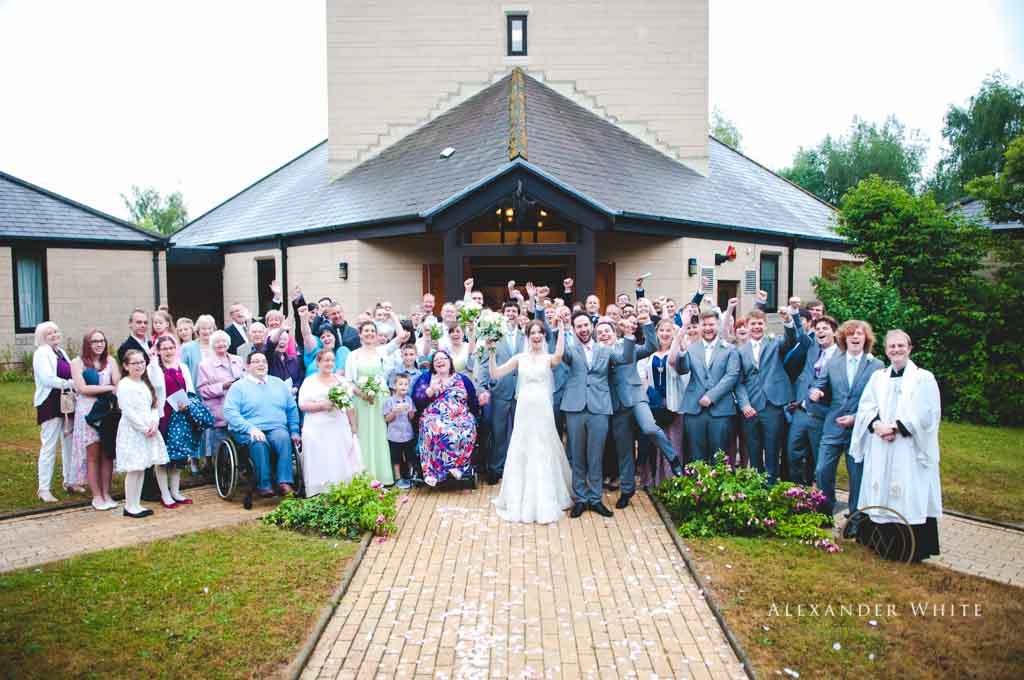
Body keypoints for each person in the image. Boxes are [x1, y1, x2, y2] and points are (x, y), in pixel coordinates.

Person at [849, 330, 941, 561]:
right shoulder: (878, 377)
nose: (896, 350)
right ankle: (878, 544)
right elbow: (866, 407)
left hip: (907, 446)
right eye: (892, 346)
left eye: (901, 346)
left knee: (906, 490)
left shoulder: (923, 378)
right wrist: (877, 426)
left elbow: (927, 414)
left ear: (909, 348)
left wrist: (896, 428)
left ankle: (908, 549)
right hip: (880, 444)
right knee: (879, 488)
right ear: (886, 350)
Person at [488, 318, 572, 523]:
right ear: (527, 336)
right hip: (524, 407)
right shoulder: (520, 358)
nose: (536, 336)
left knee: (544, 445)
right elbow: (496, 373)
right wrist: (490, 352)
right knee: (522, 445)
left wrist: (561, 328)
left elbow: (559, 355)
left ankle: (547, 496)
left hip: (542, 406)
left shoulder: (549, 358)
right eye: (532, 333)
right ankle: (519, 496)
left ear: (544, 336)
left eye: (539, 333)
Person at [560, 311, 635, 518]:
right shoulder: (570, 350)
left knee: (596, 455)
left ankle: (595, 498)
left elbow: (625, 358)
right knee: (577, 454)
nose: (583, 329)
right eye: (579, 327)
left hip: (599, 407)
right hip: (575, 407)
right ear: (574, 329)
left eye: (586, 325)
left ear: (591, 327)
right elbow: (559, 352)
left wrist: (629, 334)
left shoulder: (605, 349)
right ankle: (580, 498)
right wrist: (560, 327)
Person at [609, 311, 684, 508]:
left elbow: (650, 346)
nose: (604, 335)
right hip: (617, 405)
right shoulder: (598, 354)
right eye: (600, 333)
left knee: (650, 428)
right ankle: (627, 490)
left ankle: (673, 458)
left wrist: (648, 324)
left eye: (607, 331)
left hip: (636, 397)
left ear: (614, 333)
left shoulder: (628, 347)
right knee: (624, 449)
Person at [810, 320, 883, 516]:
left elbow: (880, 401)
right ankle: (825, 512)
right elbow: (819, 383)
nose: (855, 337)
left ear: (866, 338)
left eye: (859, 334)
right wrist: (816, 391)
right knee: (822, 470)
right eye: (851, 334)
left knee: (857, 475)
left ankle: (855, 518)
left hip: (859, 429)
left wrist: (856, 418)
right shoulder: (833, 362)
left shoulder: (876, 365)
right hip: (833, 426)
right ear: (843, 338)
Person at [734, 306, 798, 484]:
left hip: (772, 404)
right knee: (753, 449)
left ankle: (771, 486)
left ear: (765, 325)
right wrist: (745, 405)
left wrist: (788, 321)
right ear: (747, 326)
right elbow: (738, 382)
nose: (756, 327)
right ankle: (757, 486)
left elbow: (791, 340)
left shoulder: (775, 343)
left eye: (760, 324)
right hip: (751, 407)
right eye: (753, 324)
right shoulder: (740, 351)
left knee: (772, 449)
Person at [223, 352, 301, 497]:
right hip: (248, 429)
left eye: (264, 361)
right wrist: (250, 428)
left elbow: (291, 408)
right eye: (256, 361)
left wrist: (295, 430)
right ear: (247, 366)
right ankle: (264, 485)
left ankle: (284, 482)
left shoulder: (278, 383)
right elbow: (230, 412)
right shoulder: (238, 387)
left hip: (276, 427)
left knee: (283, 438)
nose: (261, 364)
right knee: (259, 442)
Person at [672, 311, 740, 462]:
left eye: (711, 324)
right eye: (704, 325)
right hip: (694, 408)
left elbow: (732, 376)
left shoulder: (730, 349)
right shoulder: (691, 348)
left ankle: (718, 478)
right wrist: (682, 353)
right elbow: (683, 370)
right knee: (696, 455)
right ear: (700, 326)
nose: (708, 328)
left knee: (719, 455)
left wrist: (711, 396)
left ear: (718, 325)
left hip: (721, 409)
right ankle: (697, 478)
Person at [297, 348, 363, 496]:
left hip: (339, 425)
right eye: (326, 360)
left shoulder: (341, 381)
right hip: (317, 427)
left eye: (332, 360)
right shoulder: (309, 382)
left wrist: (353, 426)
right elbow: (302, 405)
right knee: (321, 458)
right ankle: (320, 490)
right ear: (318, 362)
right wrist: (321, 406)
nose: (330, 363)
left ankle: (341, 488)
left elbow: (349, 405)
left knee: (339, 456)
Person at [116, 349, 171, 518]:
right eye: (134, 363)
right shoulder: (125, 384)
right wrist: (143, 427)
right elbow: (127, 410)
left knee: (142, 467)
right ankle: (129, 505)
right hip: (134, 430)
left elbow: (154, 405)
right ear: (126, 366)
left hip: (149, 428)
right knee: (134, 468)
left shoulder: (145, 382)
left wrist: (154, 422)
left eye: (141, 362)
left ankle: (136, 503)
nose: (139, 366)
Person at [412, 350, 479, 486]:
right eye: (436, 360)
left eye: (443, 358)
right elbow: (417, 400)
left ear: (450, 362)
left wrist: (475, 413)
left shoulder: (463, 379)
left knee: (465, 428)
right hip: (435, 415)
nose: (440, 361)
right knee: (435, 429)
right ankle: (432, 472)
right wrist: (431, 390)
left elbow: (473, 401)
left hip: (460, 416)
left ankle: (458, 467)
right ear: (432, 365)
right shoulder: (426, 378)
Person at [70, 329, 121, 510]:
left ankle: (107, 493)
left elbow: (118, 383)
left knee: (107, 453)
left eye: (102, 341)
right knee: (92, 454)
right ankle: (97, 495)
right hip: (88, 412)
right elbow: (83, 388)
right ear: (87, 344)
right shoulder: (77, 363)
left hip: (107, 411)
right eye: (95, 341)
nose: (99, 344)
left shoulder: (110, 361)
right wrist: (108, 387)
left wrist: (110, 388)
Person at [786, 316, 839, 486]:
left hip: (821, 413)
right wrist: (794, 314)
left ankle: (822, 494)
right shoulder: (812, 348)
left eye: (825, 328)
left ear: (834, 332)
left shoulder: (841, 355)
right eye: (818, 329)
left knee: (819, 459)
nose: (820, 332)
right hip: (801, 410)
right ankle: (798, 489)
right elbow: (801, 335)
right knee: (792, 452)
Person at [345, 321, 398, 485]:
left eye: (372, 331)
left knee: (380, 434)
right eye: (366, 331)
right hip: (361, 400)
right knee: (363, 435)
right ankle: (365, 476)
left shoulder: (382, 351)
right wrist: (362, 394)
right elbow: (349, 381)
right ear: (360, 334)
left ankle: (382, 475)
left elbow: (401, 337)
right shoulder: (353, 355)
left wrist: (392, 316)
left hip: (379, 399)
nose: (369, 333)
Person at [636, 319, 688, 489]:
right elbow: (642, 375)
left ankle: (672, 482)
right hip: (653, 402)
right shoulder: (648, 353)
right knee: (655, 441)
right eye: (662, 330)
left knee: (672, 441)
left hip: (673, 403)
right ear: (656, 333)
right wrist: (651, 394)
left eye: (668, 330)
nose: (665, 334)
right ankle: (653, 481)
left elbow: (678, 368)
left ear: (673, 333)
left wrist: (681, 335)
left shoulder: (678, 352)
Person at [479, 300, 524, 485]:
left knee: (520, 432)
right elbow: (484, 365)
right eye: (508, 311)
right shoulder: (494, 336)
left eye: (514, 311)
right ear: (503, 315)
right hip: (500, 390)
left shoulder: (526, 336)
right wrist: (483, 387)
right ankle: (496, 468)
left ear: (519, 315)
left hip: (522, 391)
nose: (511, 314)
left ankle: (517, 469)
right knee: (499, 432)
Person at [32, 321, 76, 502]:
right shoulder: (42, 352)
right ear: (42, 337)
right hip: (50, 402)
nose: (54, 335)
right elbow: (47, 378)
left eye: (56, 331)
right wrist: (69, 384)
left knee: (69, 443)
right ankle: (44, 489)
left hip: (66, 401)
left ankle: (70, 480)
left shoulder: (61, 352)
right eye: (49, 333)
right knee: (49, 445)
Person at [155, 336, 199, 506]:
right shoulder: (155, 369)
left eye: (171, 348)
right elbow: (154, 390)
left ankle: (175, 491)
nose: (168, 351)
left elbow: (190, 390)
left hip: (181, 414)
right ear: (159, 351)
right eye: (164, 348)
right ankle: (164, 494)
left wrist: (186, 404)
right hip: (163, 416)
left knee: (179, 455)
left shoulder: (183, 367)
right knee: (162, 457)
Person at [196, 330, 244, 461]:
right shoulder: (205, 365)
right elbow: (202, 390)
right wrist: (222, 386)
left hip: (239, 409)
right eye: (217, 342)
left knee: (242, 448)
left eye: (224, 341)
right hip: (219, 412)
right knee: (220, 452)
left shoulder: (238, 360)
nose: (221, 344)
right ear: (212, 345)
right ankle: (219, 468)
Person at [382, 374, 417, 489]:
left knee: (410, 456)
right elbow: (387, 419)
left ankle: (411, 476)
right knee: (396, 458)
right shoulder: (389, 401)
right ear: (394, 386)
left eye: (406, 384)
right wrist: (394, 412)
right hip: (394, 435)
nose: (403, 386)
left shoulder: (409, 400)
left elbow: (411, 418)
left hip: (407, 434)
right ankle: (398, 478)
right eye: (400, 384)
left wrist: (411, 411)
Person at [299, 306, 349, 377]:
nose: (326, 339)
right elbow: (306, 335)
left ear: (335, 338)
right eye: (323, 337)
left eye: (328, 335)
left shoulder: (341, 352)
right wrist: (303, 318)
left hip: (333, 383)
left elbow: (341, 373)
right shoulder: (315, 351)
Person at [180, 314, 216, 385]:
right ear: (198, 330)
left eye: (209, 328)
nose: (207, 331)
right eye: (203, 329)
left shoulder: (218, 346)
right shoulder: (188, 347)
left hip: (216, 388)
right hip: (195, 388)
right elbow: (182, 371)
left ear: (214, 330)